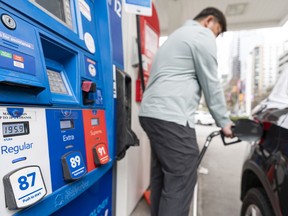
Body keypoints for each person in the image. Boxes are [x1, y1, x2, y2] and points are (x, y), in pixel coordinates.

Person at [139, 7, 233, 216]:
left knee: (162, 176)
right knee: (181, 178)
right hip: (172, 116)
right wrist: (224, 122)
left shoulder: (176, 36)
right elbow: (211, 83)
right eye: (217, 31)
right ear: (209, 21)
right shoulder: (201, 35)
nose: (215, 37)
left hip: (152, 114)